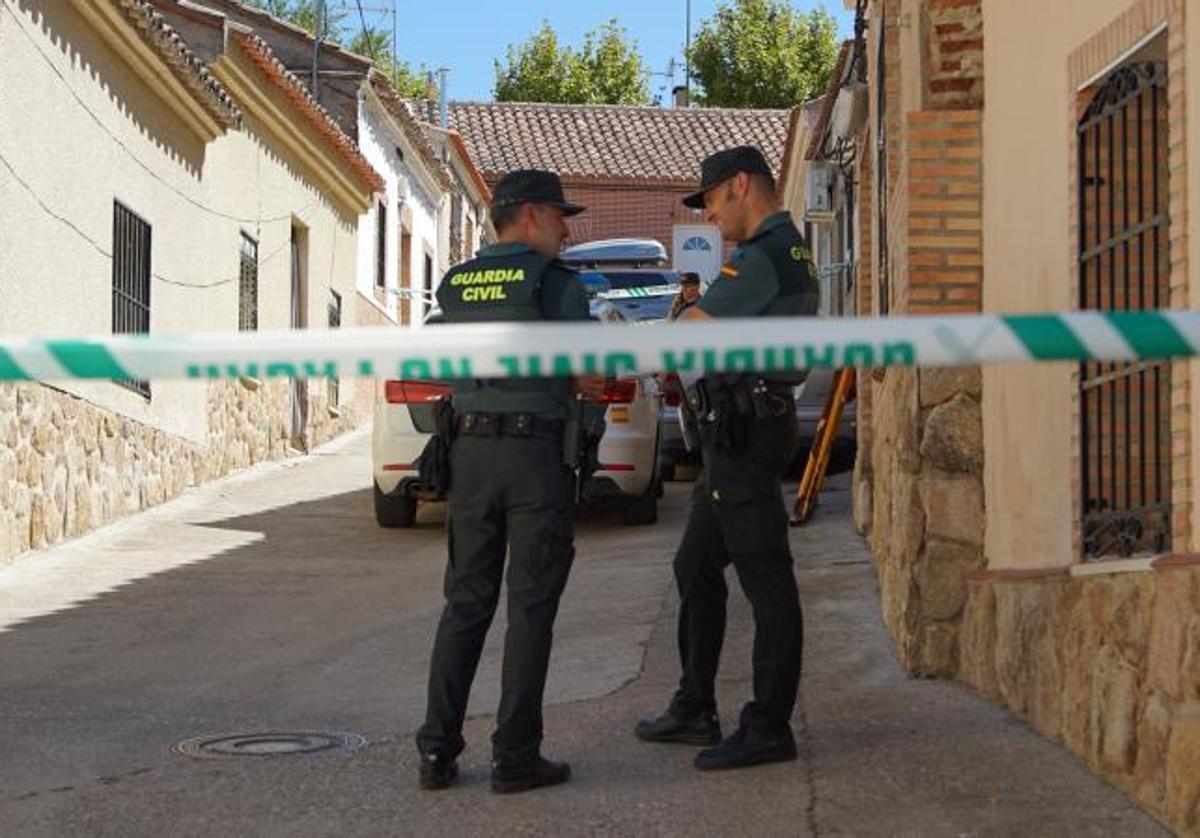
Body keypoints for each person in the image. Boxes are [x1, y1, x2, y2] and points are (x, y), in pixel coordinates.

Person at [635, 146, 819, 771]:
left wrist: (685, 311)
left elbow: (691, 329)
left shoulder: (764, 255)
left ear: (741, 185)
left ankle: (768, 725)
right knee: (696, 564)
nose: (710, 217)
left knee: (765, 575)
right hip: (741, 426)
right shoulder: (786, 247)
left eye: (711, 201)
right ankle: (694, 706)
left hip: (746, 428)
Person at [416, 169, 598, 794]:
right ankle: (515, 757)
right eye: (558, 215)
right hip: (533, 459)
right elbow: (590, 374)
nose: (566, 229)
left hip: (468, 454)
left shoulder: (456, 282)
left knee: (465, 603)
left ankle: (436, 752)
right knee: (530, 607)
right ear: (528, 216)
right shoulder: (555, 284)